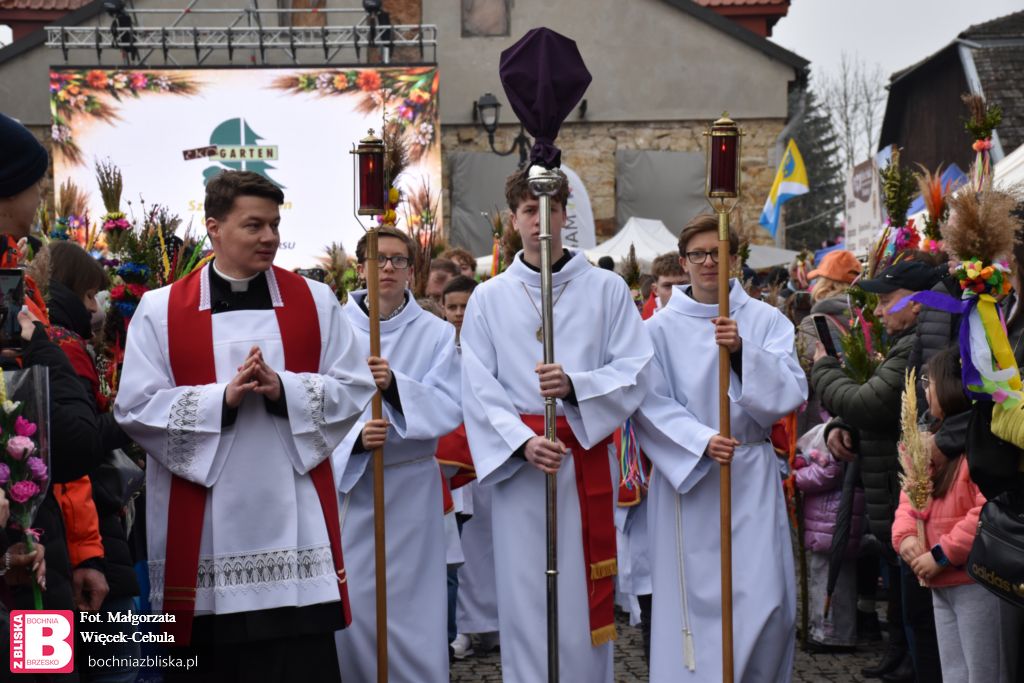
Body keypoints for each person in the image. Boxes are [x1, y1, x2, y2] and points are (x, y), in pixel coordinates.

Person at [114, 171, 376, 682]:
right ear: (214, 228)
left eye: (275, 225)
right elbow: (135, 407)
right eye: (254, 225)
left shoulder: (316, 303)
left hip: (296, 541)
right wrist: (223, 401)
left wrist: (285, 391)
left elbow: (353, 387)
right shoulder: (162, 310)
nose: (269, 238)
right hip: (207, 535)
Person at [460, 166, 652, 682]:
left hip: (583, 455)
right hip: (522, 472)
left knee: (578, 601)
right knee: (525, 597)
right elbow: (477, 386)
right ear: (513, 220)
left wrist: (576, 386)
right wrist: (522, 442)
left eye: (551, 210)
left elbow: (636, 370)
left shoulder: (607, 290)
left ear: (565, 215)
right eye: (529, 211)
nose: (540, 223)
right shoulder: (489, 298)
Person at [633, 213, 807, 681]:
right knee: (693, 607)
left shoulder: (765, 320)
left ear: (735, 257)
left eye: (718, 252)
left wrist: (743, 354)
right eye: (699, 254)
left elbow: (792, 391)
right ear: (684, 261)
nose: (709, 262)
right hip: (688, 482)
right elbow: (647, 404)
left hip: (749, 474)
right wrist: (699, 440)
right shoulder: (657, 331)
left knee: (767, 603)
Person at [333, 226, 462, 682]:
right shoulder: (333, 327)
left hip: (410, 488)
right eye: (377, 259)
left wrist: (396, 388)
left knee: (414, 603)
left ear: (412, 270)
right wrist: (353, 439)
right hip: (355, 488)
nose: (387, 268)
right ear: (360, 266)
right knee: (361, 602)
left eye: (398, 260)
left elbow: (450, 404)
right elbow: (316, 402)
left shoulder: (436, 334)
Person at [813, 259, 942, 682]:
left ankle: (907, 661)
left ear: (920, 303)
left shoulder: (912, 345)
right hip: (889, 480)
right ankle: (899, 655)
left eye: (888, 300)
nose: (881, 310)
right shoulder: (904, 339)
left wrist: (824, 369)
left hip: (903, 481)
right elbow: (873, 403)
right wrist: (840, 424)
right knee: (903, 589)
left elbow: (871, 401)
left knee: (915, 597)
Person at [43, 241, 143, 683]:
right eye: (88, 296)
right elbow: (72, 458)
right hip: (76, 548)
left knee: (54, 667)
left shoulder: (46, 342)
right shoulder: (58, 346)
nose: (95, 308)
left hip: (52, 550)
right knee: (112, 669)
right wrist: (128, 416)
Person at [893, 348, 1018, 682]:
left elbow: (984, 509)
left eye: (929, 382)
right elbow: (910, 496)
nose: (925, 390)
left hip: (975, 579)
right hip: (940, 579)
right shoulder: (930, 441)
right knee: (954, 671)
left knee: (985, 670)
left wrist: (943, 553)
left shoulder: (980, 446)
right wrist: (905, 537)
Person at [793, 423, 865, 651]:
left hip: (831, 521)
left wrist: (795, 475)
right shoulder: (833, 427)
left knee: (831, 581)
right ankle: (820, 629)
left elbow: (828, 472)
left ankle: (833, 636)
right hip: (827, 522)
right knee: (823, 578)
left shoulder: (837, 433)